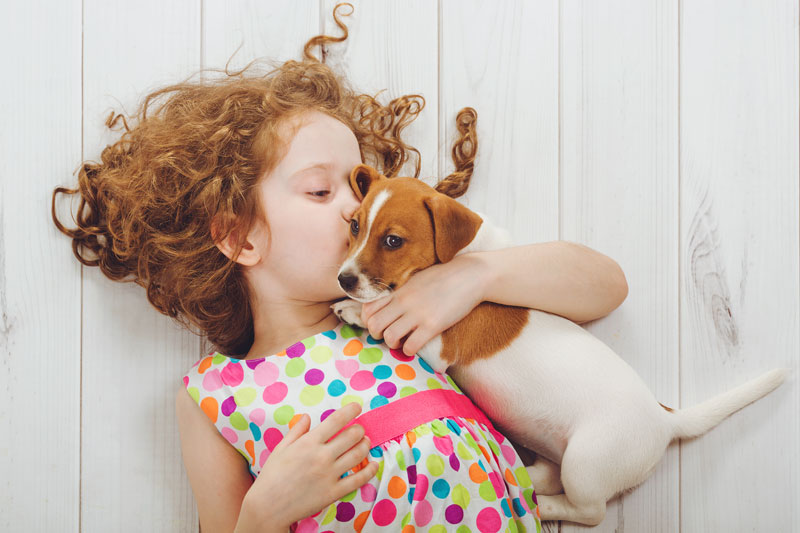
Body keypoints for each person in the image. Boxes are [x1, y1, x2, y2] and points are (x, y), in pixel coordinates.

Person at [51, 4, 628, 531]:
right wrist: (263, 512)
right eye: (322, 190)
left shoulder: (412, 305)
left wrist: (474, 276)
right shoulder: (216, 395)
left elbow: (606, 285)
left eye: (357, 183)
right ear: (238, 237)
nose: (357, 206)